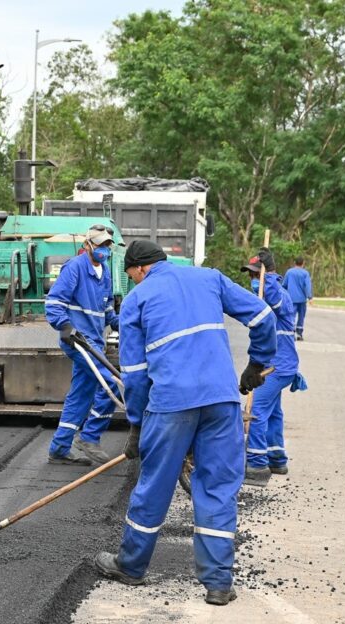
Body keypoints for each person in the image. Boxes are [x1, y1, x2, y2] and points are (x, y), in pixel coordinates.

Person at [93, 240, 277, 606]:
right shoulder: (209, 278)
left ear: (141, 269)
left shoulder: (136, 301)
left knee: (155, 485)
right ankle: (219, 583)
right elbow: (263, 317)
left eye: (131, 276)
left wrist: (136, 424)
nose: (133, 283)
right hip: (222, 401)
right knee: (217, 488)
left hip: (171, 404)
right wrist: (258, 363)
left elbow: (134, 374)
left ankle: (130, 566)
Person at [44, 225, 122, 465]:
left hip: (95, 342)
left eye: (107, 246)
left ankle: (59, 447)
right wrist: (64, 326)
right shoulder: (75, 268)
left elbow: (107, 309)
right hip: (78, 341)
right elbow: (54, 302)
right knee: (114, 383)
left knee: (81, 394)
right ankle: (89, 436)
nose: (104, 250)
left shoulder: (105, 271)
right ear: (87, 245)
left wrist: (122, 324)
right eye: (99, 245)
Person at [241, 254, 300, 486]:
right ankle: (277, 458)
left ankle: (256, 465)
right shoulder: (266, 297)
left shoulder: (279, 295)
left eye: (256, 274)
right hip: (278, 365)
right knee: (273, 413)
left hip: (277, 366)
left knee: (257, 410)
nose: (253, 280)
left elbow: (273, 301)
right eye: (251, 275)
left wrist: (267, 280)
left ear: (268, 274)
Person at [283, 257, 313, 340]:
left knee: (291, 316)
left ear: (294, 262)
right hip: (302, 300)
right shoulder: (305, 273)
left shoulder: (289, 272)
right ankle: (299, 334)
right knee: (301, 316)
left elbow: (284, 285)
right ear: (303, 263)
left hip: (291, 299)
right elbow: (307, 286)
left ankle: (291, 334)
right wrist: (310, 297)